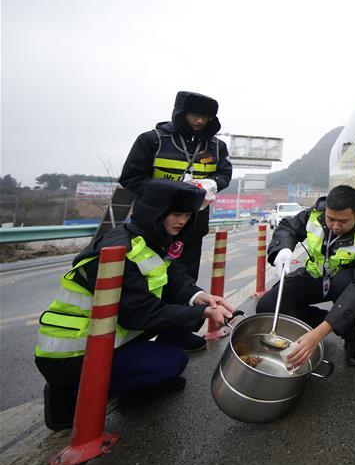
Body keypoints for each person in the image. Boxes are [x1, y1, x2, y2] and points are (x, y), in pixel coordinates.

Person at [34, 179, 234, 431]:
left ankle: (132, 371)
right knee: (172, 364)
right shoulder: (118, 247)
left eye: (186, 214)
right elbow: (140, 313)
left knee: (179, 332)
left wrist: (200, 297)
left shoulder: (147, 240)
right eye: (175, 213)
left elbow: (174, 277)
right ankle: (70, 393)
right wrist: (203, 311)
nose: (182, 220)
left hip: (104, 337)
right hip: (70, 354)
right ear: (155, 211)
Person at [119, 91, 232, 350]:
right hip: (153, 226)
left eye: (206, 116)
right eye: (195, 115)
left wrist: (212, 183)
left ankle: (177, 333)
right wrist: (174, 190)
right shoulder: (152, 140)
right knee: (148, 278)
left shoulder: (216, 146)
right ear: (181, 113)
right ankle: (139, 335)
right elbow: (131, 178)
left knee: (186, 278)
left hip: (193, 224)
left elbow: (225, 173)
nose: (200, 121)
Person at [258, 185, 355, 368]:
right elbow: (288, 227)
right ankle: (326, 319)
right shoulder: (313, 214)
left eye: (343, 221)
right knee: (266, 305)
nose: (335, 226)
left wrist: (318, 335)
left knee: (347, 292)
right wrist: (283, 248)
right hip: (313, 277)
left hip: (341, 284)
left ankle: (351, 338)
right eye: (331, 219)